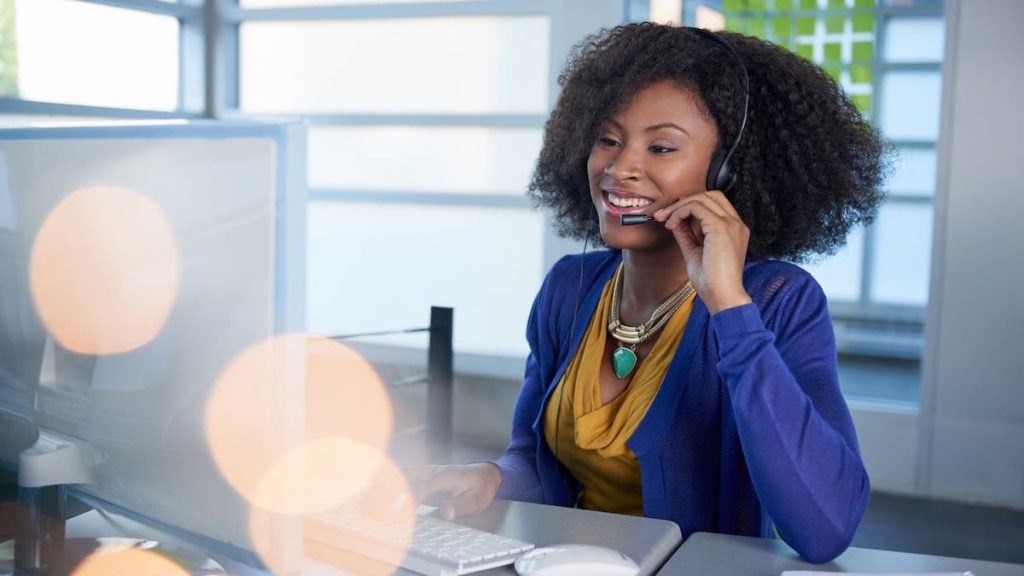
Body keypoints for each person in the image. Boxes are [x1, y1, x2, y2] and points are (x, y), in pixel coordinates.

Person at [410, 22, 888, 564]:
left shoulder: (779, 301)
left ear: (729, 174)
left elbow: (826, 528)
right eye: (608, 139)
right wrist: (492, 478)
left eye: (660, 147)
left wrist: (729, 304)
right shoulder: (570, 288)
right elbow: (539, 464)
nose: (619, 169)